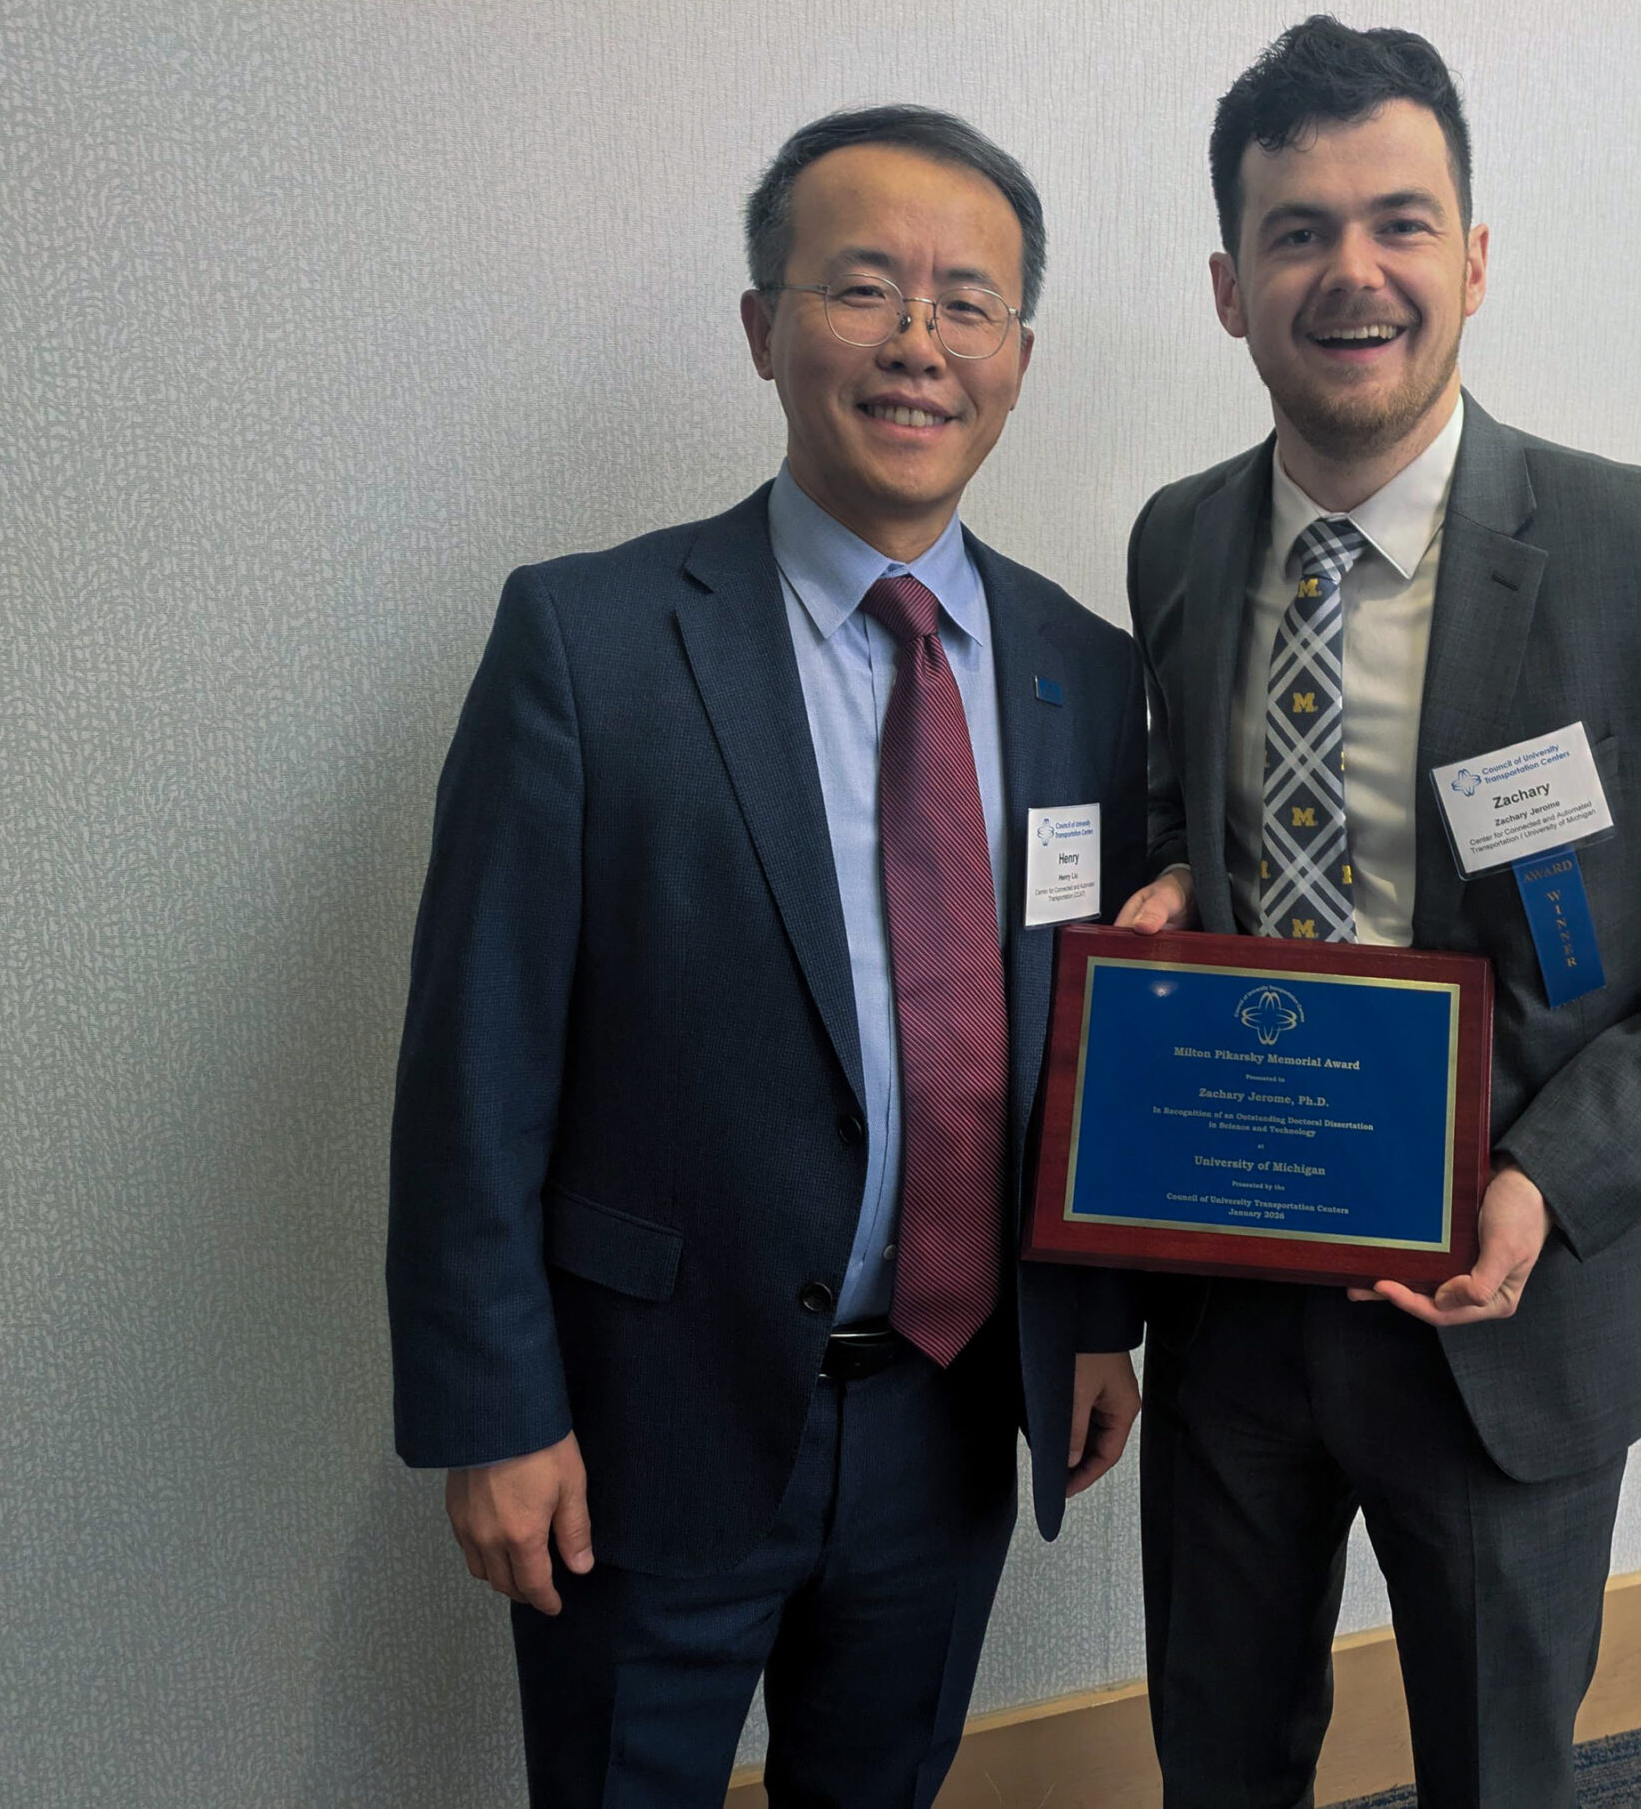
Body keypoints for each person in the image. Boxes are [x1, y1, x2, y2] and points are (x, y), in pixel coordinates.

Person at [1115, 17, 1641, 1807]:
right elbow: (1183, 816)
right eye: (1297, 231)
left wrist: (1551, 1172)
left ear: (1474, 256)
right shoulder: (1174, 542)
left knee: (1492, 1767)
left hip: (1503, 1302)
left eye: (1399, 219)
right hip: (1229, 1279)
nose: (1351, 271)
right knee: (1216, 1752)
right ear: (1231, 287)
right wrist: (1166, 881)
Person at [387, 104, 1148, 1809]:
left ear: (1020, 355)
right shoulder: (586, 642)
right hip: (646, 1414)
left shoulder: (1083, 671)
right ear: (763, 328)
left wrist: (1093, 1317)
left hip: (953, 1411)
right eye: (861, 287)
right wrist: (490, 1411)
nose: (916, 343)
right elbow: (474, 1066)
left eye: (969, 302)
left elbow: (1081, 1031)